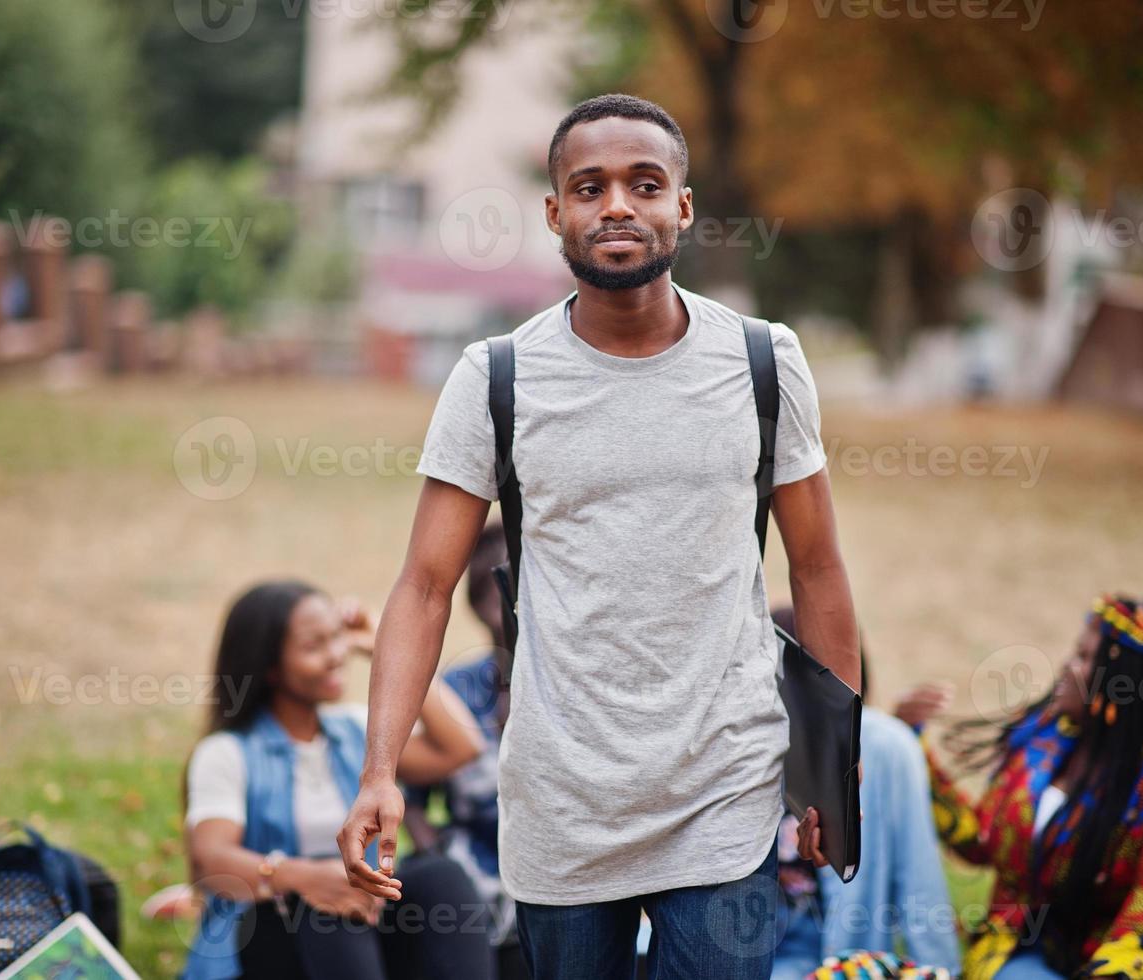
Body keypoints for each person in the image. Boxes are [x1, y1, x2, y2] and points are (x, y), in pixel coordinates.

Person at [337, 92, 862, 980]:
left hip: (722, 787)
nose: (617, 205)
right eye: (589, 187)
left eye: (644, 184)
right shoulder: (494, 379)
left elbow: (815, 567)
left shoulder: (764, 362)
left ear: (681, 208)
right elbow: (424, 587)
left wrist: (829, 767)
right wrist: (378, 770)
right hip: (560, 802)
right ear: (555, 213)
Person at [895, 594, 1143, 979]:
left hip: (1135, 957)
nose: (1068, 666)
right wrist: (909, 747)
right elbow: (981, 839)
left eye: (1085, 658)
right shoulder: (1041, 736)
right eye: (1075, 652)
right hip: (1028, 945)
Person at [181, 580, 493, 980]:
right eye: (314, 647)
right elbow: (212, 859)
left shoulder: (352, 729)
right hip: (268, 934)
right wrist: (309, 879)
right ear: (269, 667)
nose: (336, 656)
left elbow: (460, 747)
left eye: (337, 638)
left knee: (437, 878)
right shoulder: (227, 753)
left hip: (365, 929)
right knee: (328, 909)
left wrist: (385, 647)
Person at [765, 607, 961, 978]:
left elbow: (919, 877)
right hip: (759, 943)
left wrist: (942, 969)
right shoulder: (751, 739)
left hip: (840, 952)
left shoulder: (888, 746)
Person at [401, 522, 527, 978]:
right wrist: (436, 855)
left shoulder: (570, 684)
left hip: (555, 871)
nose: (500, 602)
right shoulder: (457, 687)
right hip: (468, 878)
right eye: (486, 586)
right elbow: (410, 794)